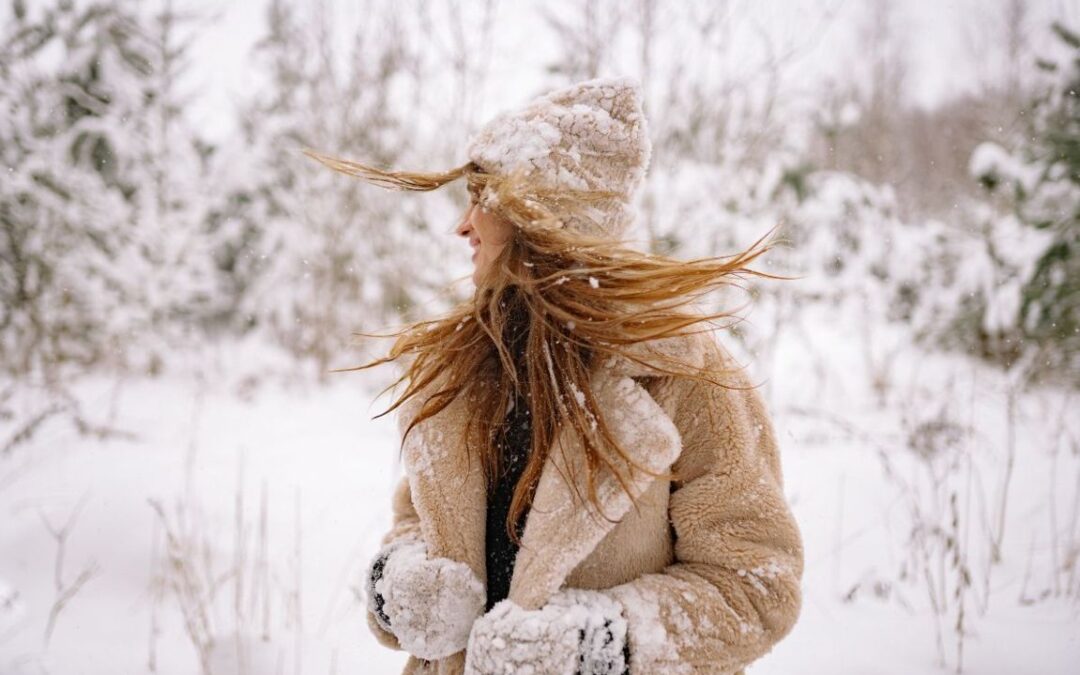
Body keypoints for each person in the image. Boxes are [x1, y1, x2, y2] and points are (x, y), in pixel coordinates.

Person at [304, 76, 804, 675]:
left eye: (482, 200)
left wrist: (596, 645)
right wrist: (400, 585)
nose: (462, 226)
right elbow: (415, 521)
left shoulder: (686, 375)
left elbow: (755, 585)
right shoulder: (462, 371)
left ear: (545, 218)